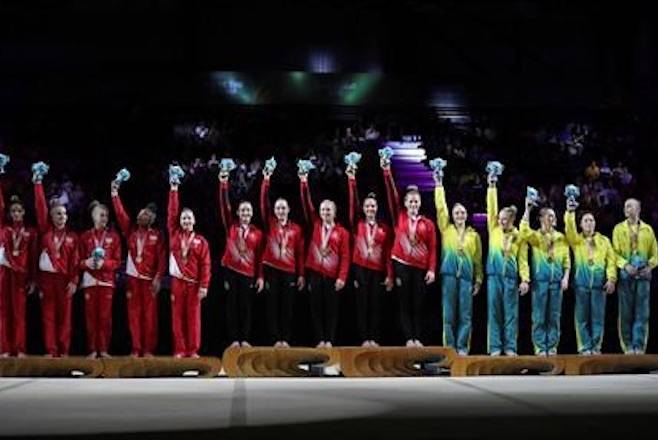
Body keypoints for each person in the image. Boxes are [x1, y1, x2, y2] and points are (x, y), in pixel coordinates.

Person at [382, 159, 436, 347]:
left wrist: (432, 269)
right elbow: (391, 194)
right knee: (403, 303)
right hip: (401, 265)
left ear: (420, 203)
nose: (413, 203)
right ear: (405, 203)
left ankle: (417, 337)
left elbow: (433, 248)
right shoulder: (400, 216)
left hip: (420, 268)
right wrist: (387, 172)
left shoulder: (427, 223)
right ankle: (408, 339)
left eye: (416, 201)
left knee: (418, 304)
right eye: (410, 201)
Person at [111, 179, 166, 357]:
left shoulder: (157, 235)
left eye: (147, 215)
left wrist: (158, 278)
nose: (143, 216)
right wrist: (115, 195)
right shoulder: (131, 232)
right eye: (141, 214)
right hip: (133, 280)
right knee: (134, 316)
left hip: (149, 280)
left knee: (150, 317)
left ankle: (148, 349)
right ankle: (136, 348)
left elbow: (162, 259)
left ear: (152, 219)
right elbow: (120, 215)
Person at [299, 166, 350, 348]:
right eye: (323, 210)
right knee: (316, 310)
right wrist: (303, 183)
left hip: (332, 276)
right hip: (315, 273)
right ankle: (320, 340)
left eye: (329, 210)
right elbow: (307, 203)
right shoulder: (314, 225)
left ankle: (330, 340)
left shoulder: (342, 232)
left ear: (334, 212)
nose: (325, 213)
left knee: (332, 311)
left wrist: (342, 277)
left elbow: (345, 256)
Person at [434, 172, 483, 355]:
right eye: (456, 213)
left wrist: (478, 280)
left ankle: (462, 348)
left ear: (467, 214)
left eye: (462, 212)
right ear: (452, 216)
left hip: (466, 279)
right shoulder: (446, 230)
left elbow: (478, 259)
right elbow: (441, 208)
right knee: (448, 315)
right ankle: (449, 349)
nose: (459, 215)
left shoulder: (474, 235)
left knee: (465, 316)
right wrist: (439, 185)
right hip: (449, 277)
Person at [33, 164, 79, 357]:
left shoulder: (72, 237)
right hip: (47, 280)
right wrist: (38, 183)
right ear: (51, 216)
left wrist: (74, 281)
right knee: (48, 317)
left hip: (64, 280)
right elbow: (40, 206)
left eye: (64, 214)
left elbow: (76, 262)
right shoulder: (45, 232)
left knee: (65, 318)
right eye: (57, 214)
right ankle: (52, 351)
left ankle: (64, 351)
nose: (61, 216)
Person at [346, 163, 393, 348]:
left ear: (377, 207)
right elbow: (352, 203)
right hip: (360, 269)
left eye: (373, 206)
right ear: (363, 208)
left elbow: (389, 253)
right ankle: (363, 338)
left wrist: (389, 275)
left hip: (377, 270)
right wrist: (351, 180)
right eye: (367, 206)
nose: (370, 209)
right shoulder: (356, 224)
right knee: (361, 306)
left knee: (375, 306)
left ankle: (373, 338)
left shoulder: (384, 228)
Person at [259, 165, 305, 348]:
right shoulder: (269, 223)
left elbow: (300, 253)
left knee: (287, 308)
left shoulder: (296, 229)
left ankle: (285, 339)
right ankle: (274, 340)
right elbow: (263, 202)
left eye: (283, 208)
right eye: (278, 208)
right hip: (271, 269)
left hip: (289, 271)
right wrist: (266, 180)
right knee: (271, 307)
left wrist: (301, 274)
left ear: (288, 210)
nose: (280, 211)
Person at [218, 168, 264, 349]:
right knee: (231, 308)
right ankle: (233, 340)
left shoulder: (258, 233)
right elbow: (224, 206)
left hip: (248, 273)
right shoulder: (231, 226)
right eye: (242, 210)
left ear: (252, 213)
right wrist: (223, 185)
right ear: (237, 213)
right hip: (230, 271)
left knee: (246, 308)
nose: (245, 213)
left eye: (248, 211)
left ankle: (245, 339)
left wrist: (260, 277)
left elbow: (261, 257)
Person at [167, 171, 211, 358]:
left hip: (194, 284)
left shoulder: (201, 241)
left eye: (189, 218)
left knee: (193, 319)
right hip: (177, 282)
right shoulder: (174, 234)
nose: (185, 220)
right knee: (177, 318)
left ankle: (193, 350)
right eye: (183, 218)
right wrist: (174, 189)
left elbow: (206, 265)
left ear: (194, 221)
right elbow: (172, 212)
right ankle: (179, 349)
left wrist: (204, 286)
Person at [564, 199, 616, 355]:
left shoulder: (604, 241)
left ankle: (596, 346)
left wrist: (611, 279)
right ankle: (584, 347)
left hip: (599, 285)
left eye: (591, 220)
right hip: (581, 284)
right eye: (585, 220)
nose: (589, 223)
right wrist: (570, 212)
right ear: (580, 224)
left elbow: (611, 261)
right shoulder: (576, 240)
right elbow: (569, 229)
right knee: (582, 318)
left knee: (598, 318)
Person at [485, 175, 530, 357]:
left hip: (510, 278)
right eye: (500, 219)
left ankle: (510, 347)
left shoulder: (518, 236)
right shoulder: (493, 229)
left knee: (511, 314)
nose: (501, 221)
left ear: (512, 220)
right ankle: (495, 347)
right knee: (494, 313)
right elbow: (491, 207)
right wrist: (492, 186)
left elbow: (523, 259)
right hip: (494, 277)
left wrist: (525, 279)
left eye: (505, 219)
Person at [520, 199, 571, 356]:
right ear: (541, 218)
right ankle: (540, 348)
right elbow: (523, 231)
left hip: (556, 282)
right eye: (549, 216)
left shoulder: (561, 238)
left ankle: (553, 346)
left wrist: (566, 278)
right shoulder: (536, 237)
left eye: (553, 216)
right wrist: (527, 210)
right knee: (539, 316)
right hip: (540, 282)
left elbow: (567, 260)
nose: (553, 219)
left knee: (554, 317)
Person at [612, 198, 658, 354]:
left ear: (638, 209)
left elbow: (655, 254)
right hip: (626, 275)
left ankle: (639, 346)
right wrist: (625, 265)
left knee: (642, 313)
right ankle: (628, 347)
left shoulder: (648, 230)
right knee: (625, 312)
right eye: (625, 206)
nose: (626, 209)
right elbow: (614, 253)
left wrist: (650, 266)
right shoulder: (618, 229)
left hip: (643, 276)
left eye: (630, 206)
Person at [78, 200, 121, 358]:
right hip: (89, 281)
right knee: (91, 319)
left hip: (106, 282)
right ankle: (92, 350)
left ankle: (103, 349)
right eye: (101, 215)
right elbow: (78, 261)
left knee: (105, 318)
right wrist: (86, 263)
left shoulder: (114, 237)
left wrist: (104, 264)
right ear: (93, 216)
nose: (104, 218)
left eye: (106, 215)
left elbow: (117, 261)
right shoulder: (85, 237)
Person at [0, 183, 37, 358]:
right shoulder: (4, 230)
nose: (16, 213)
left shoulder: (31, 232)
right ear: (9, 213)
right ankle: (5, 348)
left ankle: (20, 348)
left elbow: (34, 257)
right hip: (4, 275)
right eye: (13, 211)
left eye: (19, 211)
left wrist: (33, 279)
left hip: (21, 276)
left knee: (19, 313)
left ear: (23, 212)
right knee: (4, 312)